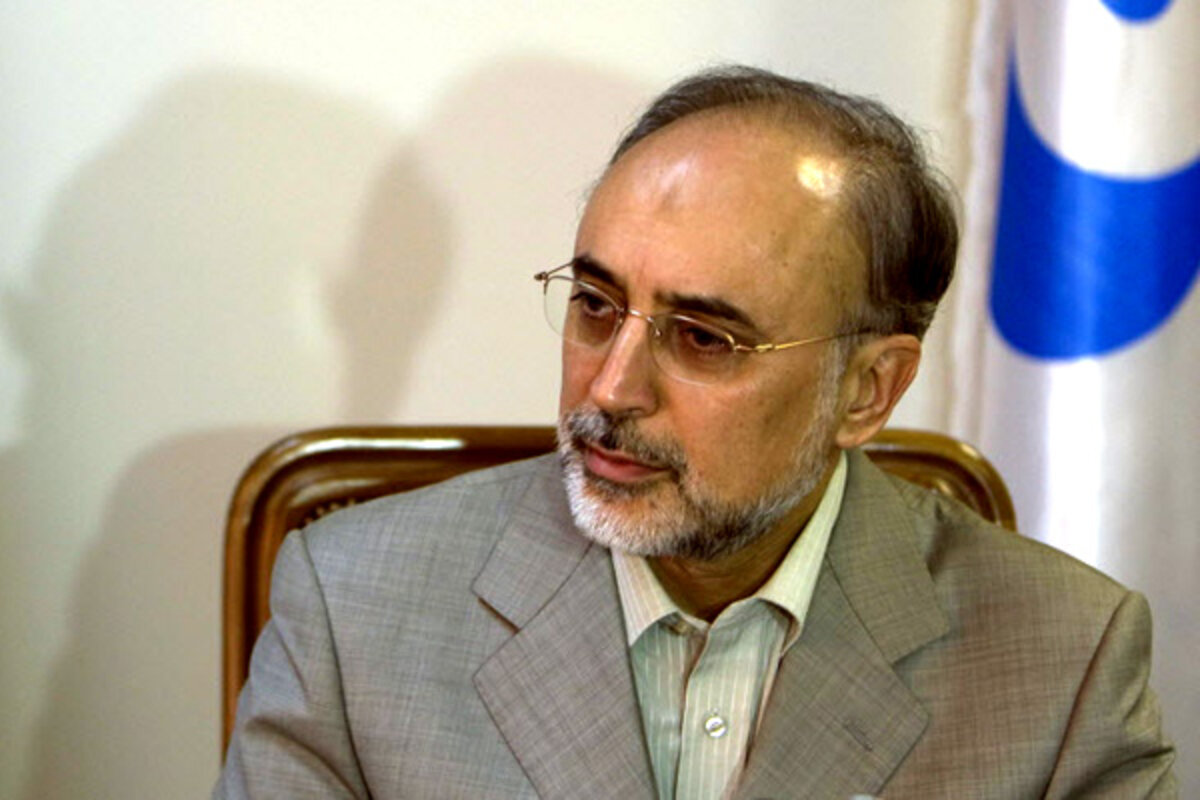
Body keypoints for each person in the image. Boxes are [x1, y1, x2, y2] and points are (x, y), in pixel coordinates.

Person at [215, 66, 1176, 799]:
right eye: (596, 304)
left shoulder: (1063, 660)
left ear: (868, 390)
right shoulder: (354, 608)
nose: (610, 387)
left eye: (705, 338)